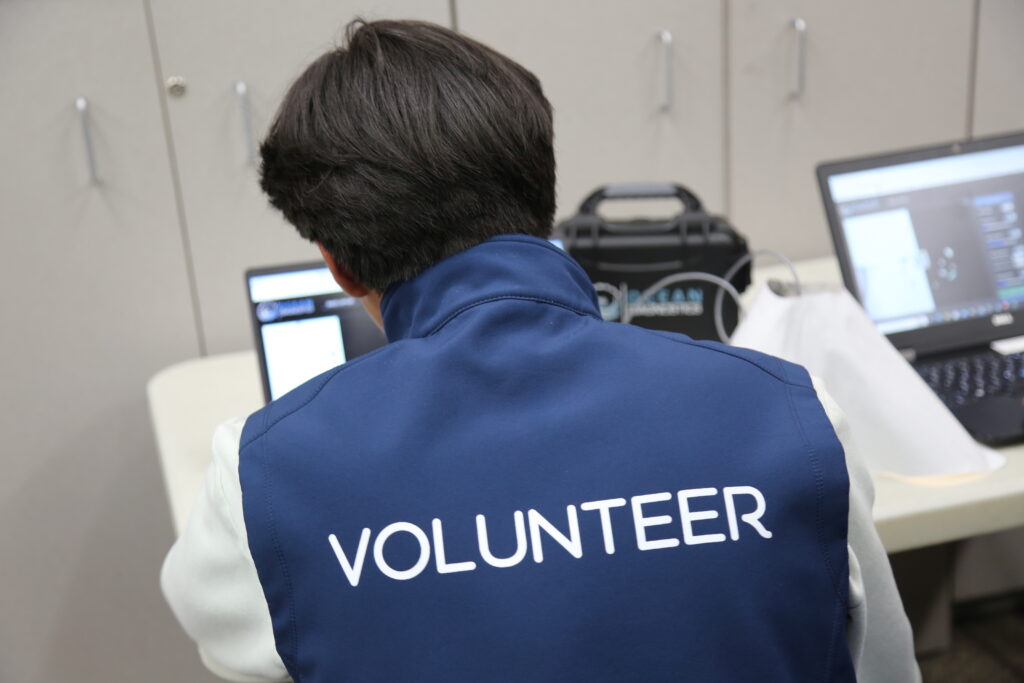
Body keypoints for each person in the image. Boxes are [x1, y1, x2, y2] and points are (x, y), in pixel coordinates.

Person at [161, 18, 920, 683]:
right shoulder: (792, 412)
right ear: (540, 195)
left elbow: (236, 642)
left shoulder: (262, 477)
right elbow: (882, 665)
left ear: (336, 262)